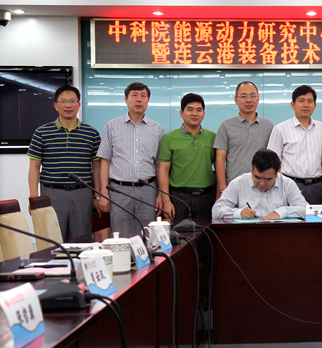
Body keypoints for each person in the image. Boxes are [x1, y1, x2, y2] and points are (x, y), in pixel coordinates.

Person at [27, 84, 102, 240]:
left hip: (82, 194)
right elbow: (34, 166)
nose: (68, 105)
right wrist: (33, 196)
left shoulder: (92, 133)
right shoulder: (42, 132)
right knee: (51, 240)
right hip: (51, 194)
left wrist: (96, 196)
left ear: (78, 105)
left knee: (81, 240)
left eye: (72, 101)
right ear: (56, 105)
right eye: (63, 101)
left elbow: (97, 167)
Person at [97, 82, 166, 227]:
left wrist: (160, 193)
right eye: (134, 95)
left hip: (148, 190)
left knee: (147, 232)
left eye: (143, 96)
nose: (139, 99)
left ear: (148, 100)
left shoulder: (158, 129)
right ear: (126, 100)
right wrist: (104, 193)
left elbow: (159, 165)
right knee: (121, 232)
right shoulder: (111, 126)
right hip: (119, 190)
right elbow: (105, 161)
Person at [267, 85, 322, 205]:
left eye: (310, 101)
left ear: (315, 105)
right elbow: (273, 163)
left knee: (313, 217)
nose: (306, 105)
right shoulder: (280, 129)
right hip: (289, 185)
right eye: (301, 100)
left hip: (315, 186)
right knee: (289, 217)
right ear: (293, 104)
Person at [158, 93, 216, 220]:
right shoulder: (169, 138)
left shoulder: (213, 137)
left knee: (206, 232)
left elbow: (218, 166)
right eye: (190, 109)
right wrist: (166, 201)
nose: (194, 113)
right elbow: (163, 170)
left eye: (199, 110)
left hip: (206, 197)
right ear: (181, 113)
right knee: (178, 232)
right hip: (178, 197)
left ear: (203, 114)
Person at [213, 81, 273, 200]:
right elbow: (219, 159)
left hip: (262, 188)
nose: (249, 100)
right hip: (234, 189)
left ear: (258, 98)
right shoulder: (226, 126)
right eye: (244, 96)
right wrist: (223, 188)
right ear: (236, 100)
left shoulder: (269, 126)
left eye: (252, 95)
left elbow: (273, 159)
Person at [212, 149, 308, 220]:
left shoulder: (287, 184)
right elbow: (216, 210)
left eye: (268, 179)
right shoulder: (239, 183)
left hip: (279, 234)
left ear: (277, 172)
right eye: (257, 177)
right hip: (246, 234)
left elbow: (307, 210)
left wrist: (282, 212)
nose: (262, 183)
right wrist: (238, 213)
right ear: (252, 169)